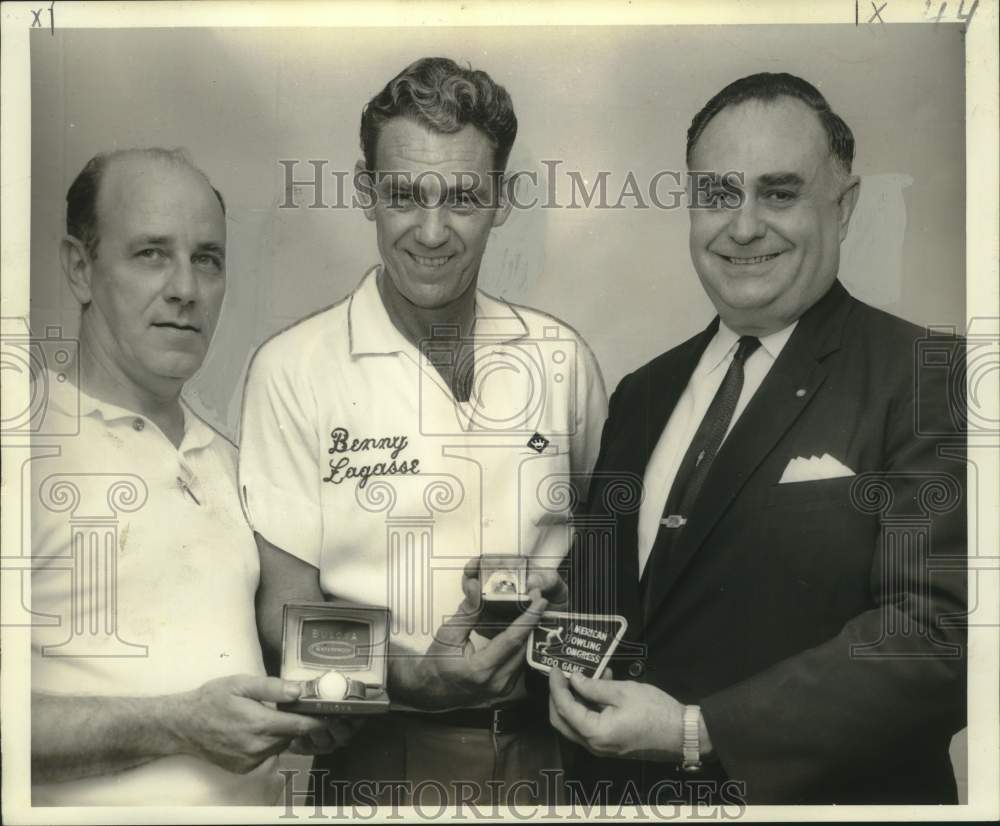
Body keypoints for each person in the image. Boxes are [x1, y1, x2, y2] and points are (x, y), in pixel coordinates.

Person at [551, 73, 966, 805]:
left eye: (778, 193)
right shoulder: (643, 393)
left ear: (844, 206)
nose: (742, 227)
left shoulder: (928, 375)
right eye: (718, 195)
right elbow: (610, 611)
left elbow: (939, 636)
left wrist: (696, 729)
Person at [240, 57, 607, 805]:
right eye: (405, 196)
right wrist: (416, 678)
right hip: (378, 750)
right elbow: (282, 618)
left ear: (502, 199)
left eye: (464, 198)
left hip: (553, 755)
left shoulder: (561, 358)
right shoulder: (293, 368)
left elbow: (613, 556)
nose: (433, 233)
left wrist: (567, 602)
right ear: (365, 192)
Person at [29, 148, 347, 806]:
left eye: (207, 258)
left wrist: (315, 712)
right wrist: (177, 725)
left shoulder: (234, 466)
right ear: (80, 268)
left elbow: (268, 668)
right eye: (151, 253)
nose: (186, 288)